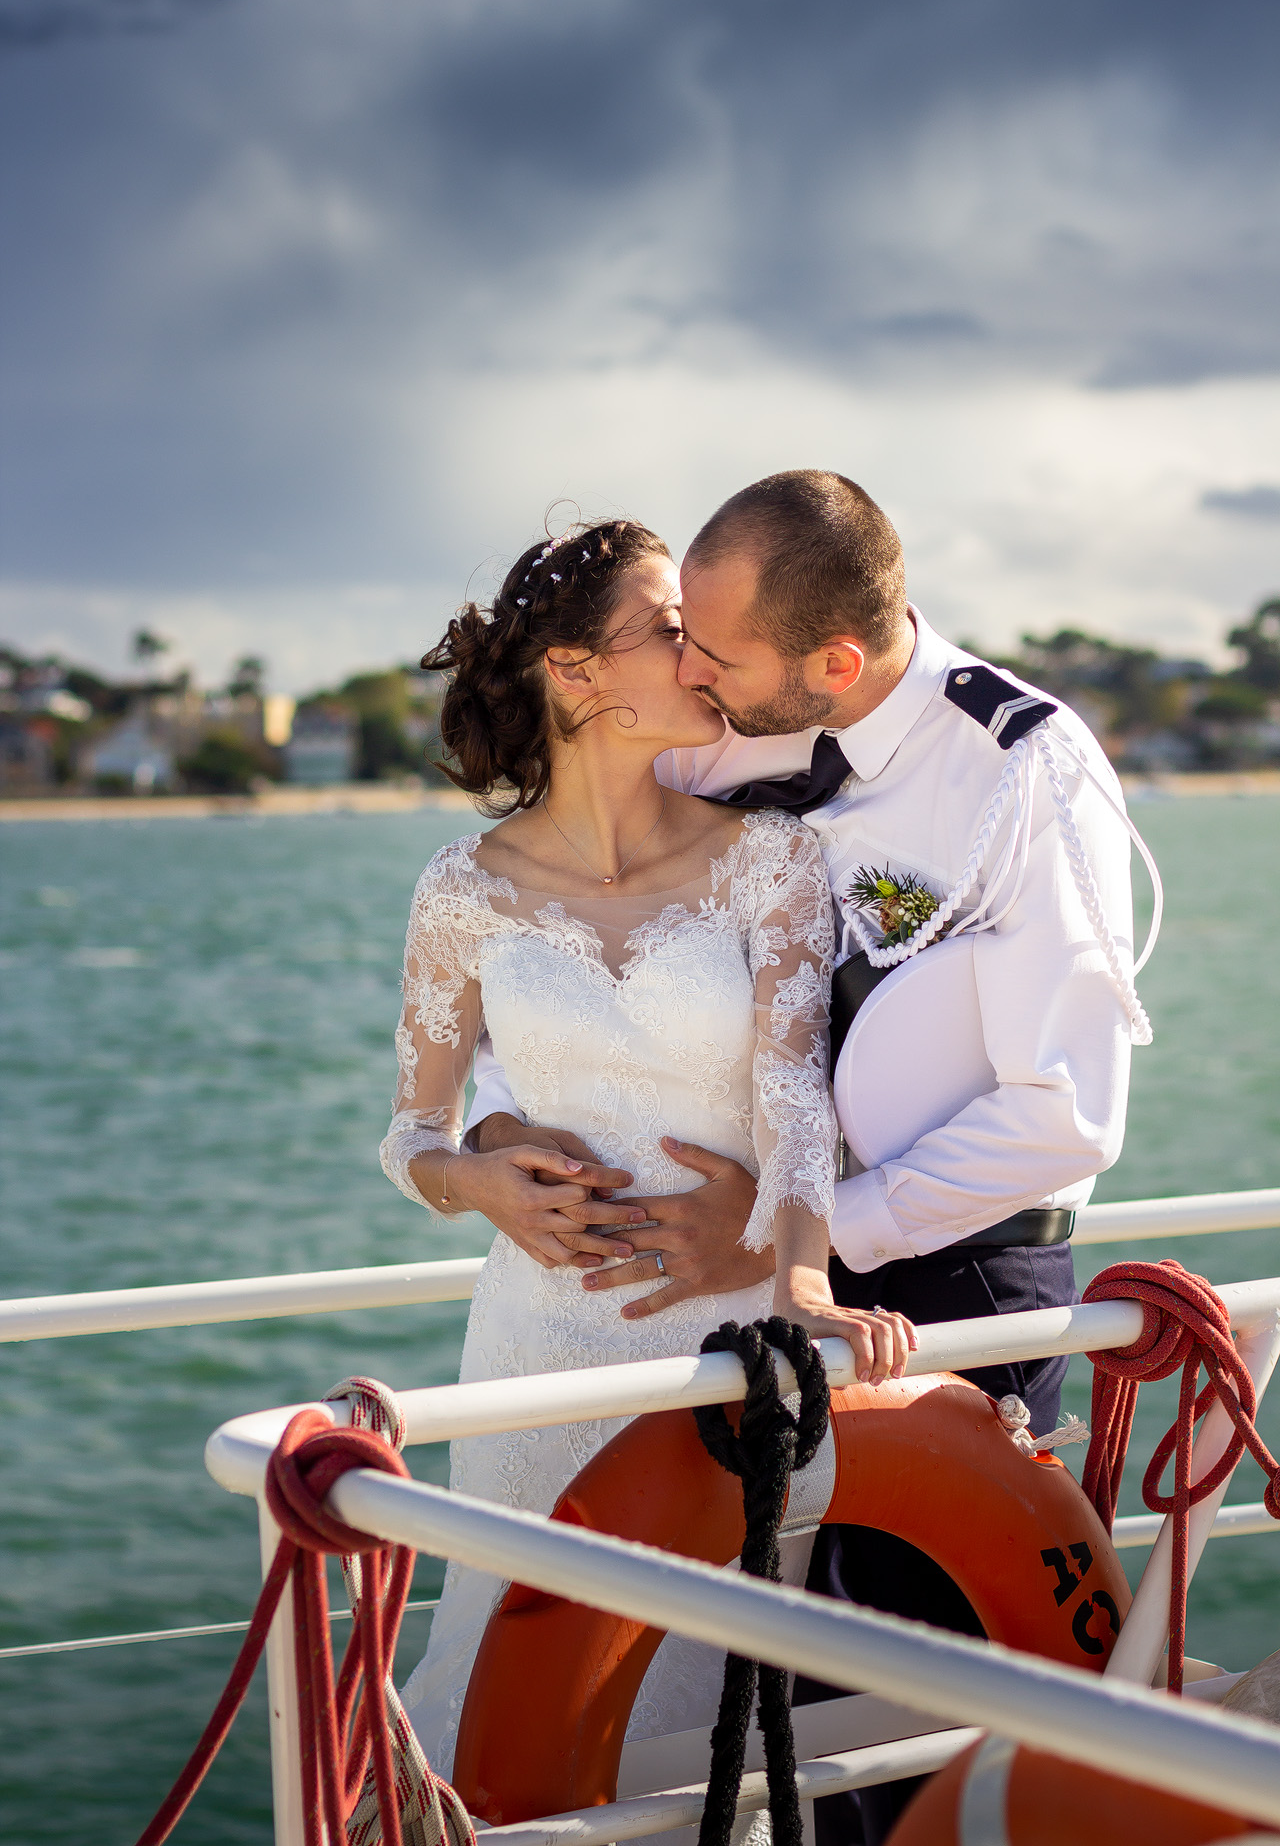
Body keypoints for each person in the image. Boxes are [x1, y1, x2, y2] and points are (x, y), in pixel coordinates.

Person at [466, 472, 1148, 1845]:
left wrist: (813, 1223)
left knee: (924, 1711)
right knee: (774, 1700)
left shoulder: (1016, 775)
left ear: (835, 660)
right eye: (683, 642)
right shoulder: (723, 730)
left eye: (717, 653)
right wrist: (492, 1119)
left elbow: (1067, 1113)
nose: (693, 677)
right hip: (761, 1290)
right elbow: (570, 940)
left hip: (951, 1288)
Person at [379, 516, 914, 1780]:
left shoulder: (772, 862)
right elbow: (411, 1132)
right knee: (509, 1703)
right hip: (530, 1358)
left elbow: (796, 1100)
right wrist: (473, 1179)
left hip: (715, 1354)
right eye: (670, 632)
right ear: (576, 676)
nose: (703, 660)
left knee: (693, 1733)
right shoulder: (461, 888)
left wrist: (798, 1284)